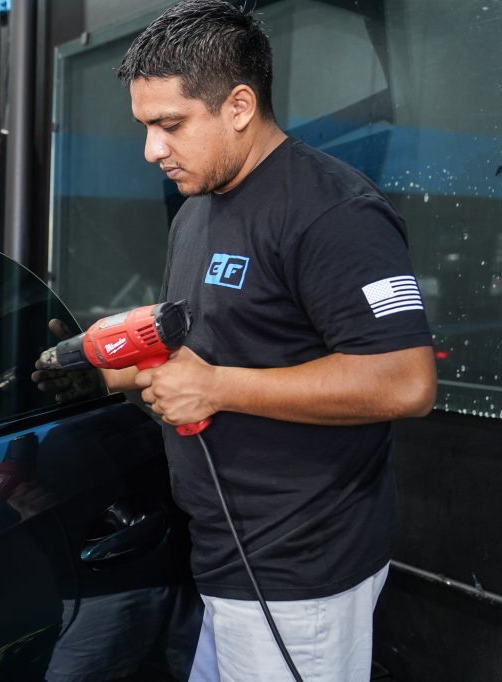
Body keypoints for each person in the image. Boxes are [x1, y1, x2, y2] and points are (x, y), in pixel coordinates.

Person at [91, 1, 436, 680]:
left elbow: (405, 381)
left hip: (300, 569)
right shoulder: (195, 213)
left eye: (169, 126)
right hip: (220, 555)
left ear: (240, 105)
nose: (152, 150)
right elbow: (220, 343)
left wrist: (216, 387)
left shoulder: (333, 211)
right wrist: (131, 362)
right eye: (145, 128)